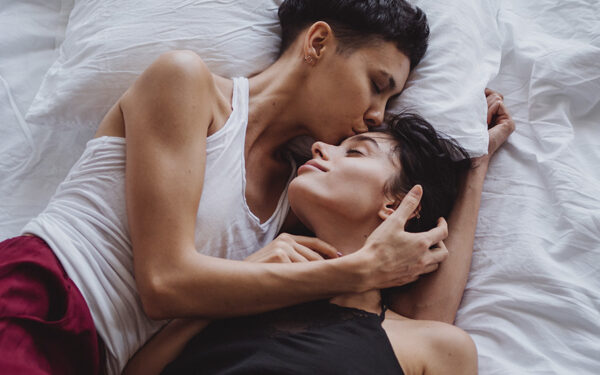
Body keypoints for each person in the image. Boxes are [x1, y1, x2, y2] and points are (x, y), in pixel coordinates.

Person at [0, 0, 510, 373]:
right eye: (377, 85)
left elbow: (421, 318)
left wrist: (474, 168)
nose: (376, 115)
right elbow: (164, 284)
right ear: (317, 42)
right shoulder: (187, 85)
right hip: (43, 297)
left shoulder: (299, 195)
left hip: (107, 360)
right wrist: (353, 272)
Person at [122, 103, 514, 375]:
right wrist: (238, 284)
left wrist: (474, 165)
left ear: (400, 204)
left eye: (357, 153)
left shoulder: (433, 345)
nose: (319, 146)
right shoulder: (244, 295)